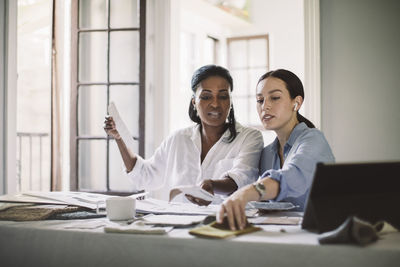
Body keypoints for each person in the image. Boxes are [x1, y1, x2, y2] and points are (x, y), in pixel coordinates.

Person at [104, 65, 264, 205]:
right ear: (194, 101)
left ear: (230, 101)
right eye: (206, 96)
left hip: (224, 226)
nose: (215, 104)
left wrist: (212, 185)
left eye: (223, 96)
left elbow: (243, 178)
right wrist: (119, 139)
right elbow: (145, 175)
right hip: (179, 228)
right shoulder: (177, 139)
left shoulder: (249, 138)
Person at [217, 69, 335, 230]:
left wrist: (245, 194)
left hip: (319, 234)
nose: (265, 106)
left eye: (275, 98)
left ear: (297, 103)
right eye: (260, 100)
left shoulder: (313, 140)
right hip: (283, 234)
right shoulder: (266, 154)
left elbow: (292, 176)